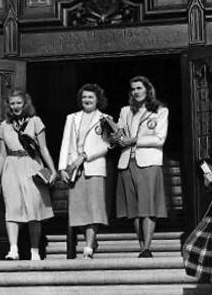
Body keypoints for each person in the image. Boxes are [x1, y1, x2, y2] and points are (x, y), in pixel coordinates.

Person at [0, 89, 56, 261]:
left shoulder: (35, 121)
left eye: (18, 103)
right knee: (12, 209)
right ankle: (13, 249)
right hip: (11, 168)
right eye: (12, 103)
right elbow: (2, 155)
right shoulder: (4, 126)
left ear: (25, 103)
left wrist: (53, 170)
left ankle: (34, 251)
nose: (15, 106)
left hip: (32, 166)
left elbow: (43, 148)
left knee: (34, 208)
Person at [115, 76, 168, 257]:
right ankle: (141, 247)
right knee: (134, 209)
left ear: (147, 89)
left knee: (148, 207)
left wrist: (135, 140)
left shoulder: (160, 111)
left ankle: (147, 247)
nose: (136, 92)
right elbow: (119, 135)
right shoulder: (125, 111)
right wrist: (115, 136)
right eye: (133, 89)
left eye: (139, 88)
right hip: (127, 162)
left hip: (148, 162)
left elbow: (160, 139)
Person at [58, 83, 111, 259]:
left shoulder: (105, 118)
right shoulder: (72, 118)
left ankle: (88, 248)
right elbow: (65, 144)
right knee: (78, 210)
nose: (87, 100)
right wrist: (62, 168)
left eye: (91, 97)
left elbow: (106, 145)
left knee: (94, 209)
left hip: (94, 168)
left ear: (98, 100)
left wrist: (86, 156)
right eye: (84, 97)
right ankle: (91, 239)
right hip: (74, 169)